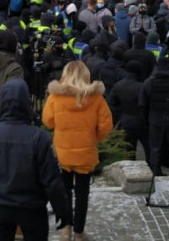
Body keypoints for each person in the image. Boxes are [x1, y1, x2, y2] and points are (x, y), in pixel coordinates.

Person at [0, 79, 71, 240]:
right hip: (32, 210)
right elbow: (51, 180)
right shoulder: (39, 138)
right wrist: (62, 210)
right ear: (27, 102)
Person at [42, 61, 113, 241]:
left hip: (63, 153)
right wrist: (92, 139)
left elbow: (48, 121)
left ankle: (66, 229)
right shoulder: (96, 98)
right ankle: (79, 232)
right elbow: (106, 126)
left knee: (65, 191)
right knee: (82, 194)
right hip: (86, 153)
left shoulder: (55, 97)